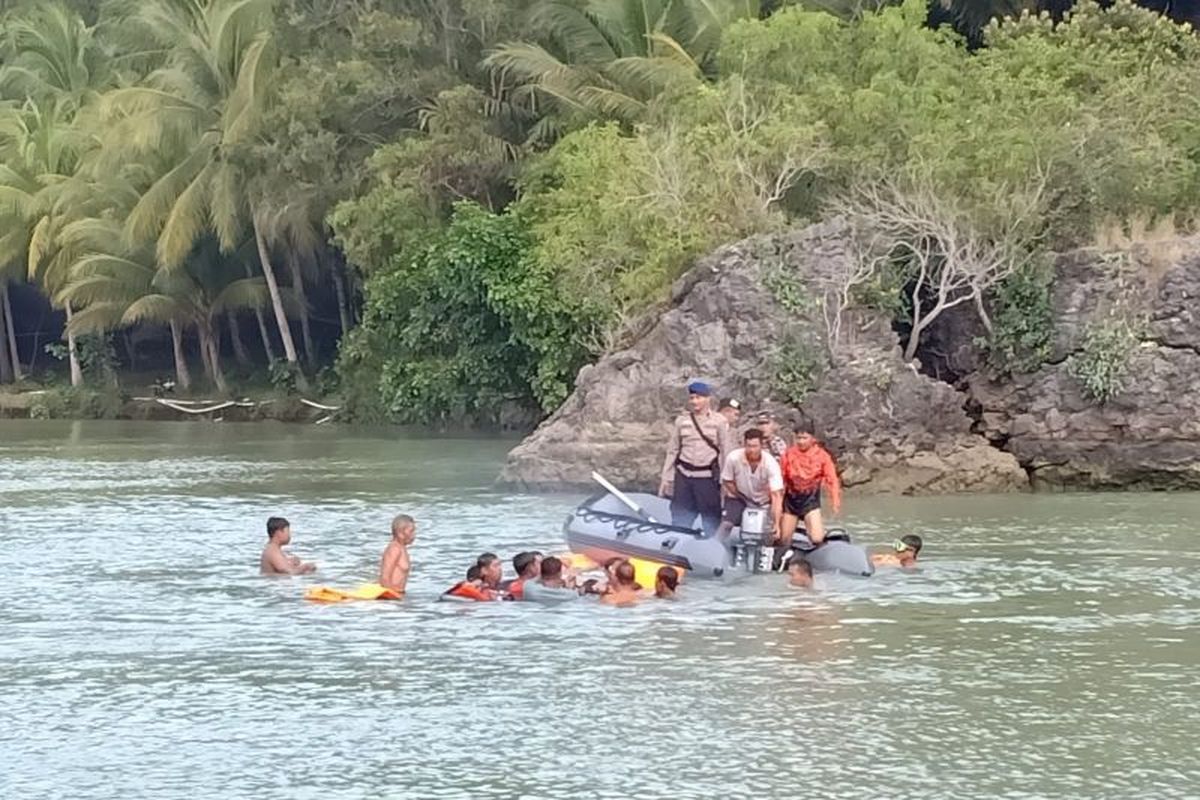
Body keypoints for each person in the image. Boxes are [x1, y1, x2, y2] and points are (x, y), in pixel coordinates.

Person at [659, 381, 732, 534]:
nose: (694, 402)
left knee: (711, 518)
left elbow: (725, 451)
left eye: (698, 398)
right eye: (692, 398)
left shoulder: (719, 422)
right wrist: (666, 478)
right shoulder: (682, 421)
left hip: (706, 477)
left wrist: (725, 481)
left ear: (707, 399)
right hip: (684, 476)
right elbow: (673, 450)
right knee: (680, 518)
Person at [778, 421, 842, 552]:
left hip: (810, 500)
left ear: (813, 439)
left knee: (817, 539)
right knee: (783, 540)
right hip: (790, 500)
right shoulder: (788, 455)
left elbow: (832, 480)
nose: (801, 441)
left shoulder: (823, 456)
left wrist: (835, 502)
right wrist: (776, 505)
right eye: (798, 438)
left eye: (804, 438)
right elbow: (780, 480)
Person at [720, 428, 785, 542]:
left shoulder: (770, 463)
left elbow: (777, 495)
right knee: (726, 525)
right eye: (748, 446)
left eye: (755, 446)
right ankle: (714, 549)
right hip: (739, 497)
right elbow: (727, 480)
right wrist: (740, 495)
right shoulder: (733, 457)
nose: (751, 450)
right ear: (744, 445)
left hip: (764, 501)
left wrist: (776, 524)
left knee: (772, 533)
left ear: (761, 446)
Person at [379, 514, 415, 594]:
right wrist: (392, 599)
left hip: (400, 594)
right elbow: (384, 578)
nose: (414, 535)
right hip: (392, 597)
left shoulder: (402, 548)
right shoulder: (394, 549)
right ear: (400, 532)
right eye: (411, 531)